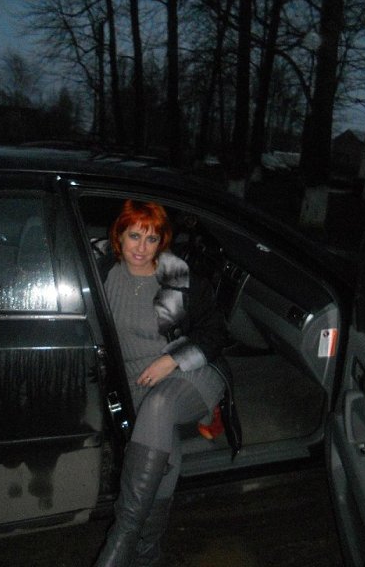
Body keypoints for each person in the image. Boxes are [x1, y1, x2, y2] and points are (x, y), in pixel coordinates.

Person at [93, 200, 228, 567]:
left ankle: (120, 541)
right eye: (134, 236)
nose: (141, 247)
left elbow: (215, 332)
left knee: (160, 405)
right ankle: (146, 554)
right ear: (119, 236)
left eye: (151, 239)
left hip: (190, 373)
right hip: (136, 383)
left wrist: (173, 359)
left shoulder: (177, 277)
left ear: (162, 242)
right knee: (161, 462)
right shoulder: (100, 270)